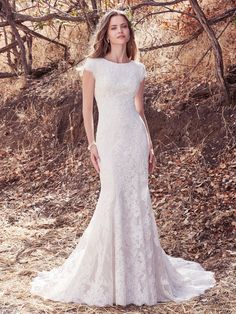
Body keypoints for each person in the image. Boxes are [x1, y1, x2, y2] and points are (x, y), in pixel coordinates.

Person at [30, 9, 216, 306]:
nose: (120, 31)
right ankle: (109, 275)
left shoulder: (137, 69)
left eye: (124, 27)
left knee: (137, 200)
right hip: (109, 140)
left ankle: (138, 278)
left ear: (129, 32)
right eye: (114, 27)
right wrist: (91, 144)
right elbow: (86, 109)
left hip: (134, 139)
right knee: (113, 196)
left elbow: (140, 112)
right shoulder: (93, 66)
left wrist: (150, 145)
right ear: (106, 33)